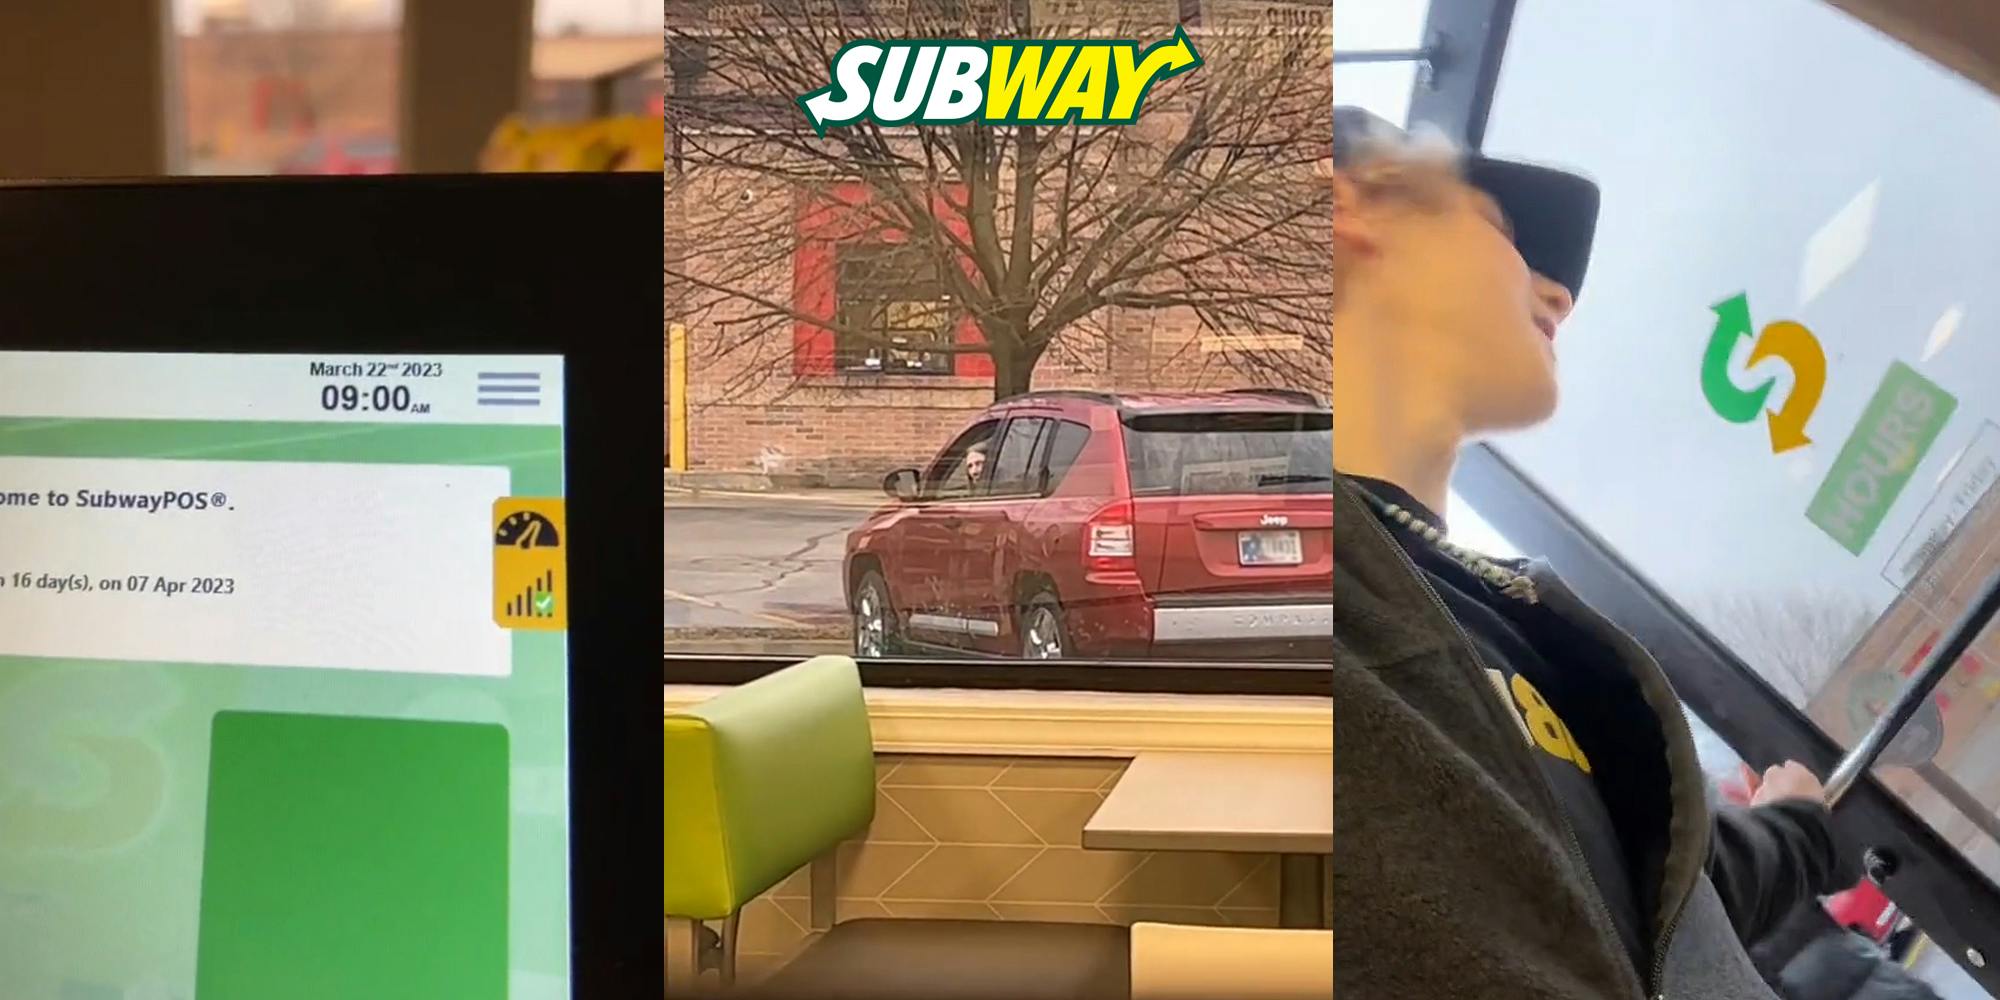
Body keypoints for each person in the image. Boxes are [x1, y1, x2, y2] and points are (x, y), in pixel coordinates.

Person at [1328, 106, 1857, 999]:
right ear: (1350, 211)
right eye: (1501, 227)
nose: (1559, 292)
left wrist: (1797, 830)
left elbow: (1629, 898)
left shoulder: (1481, 616)